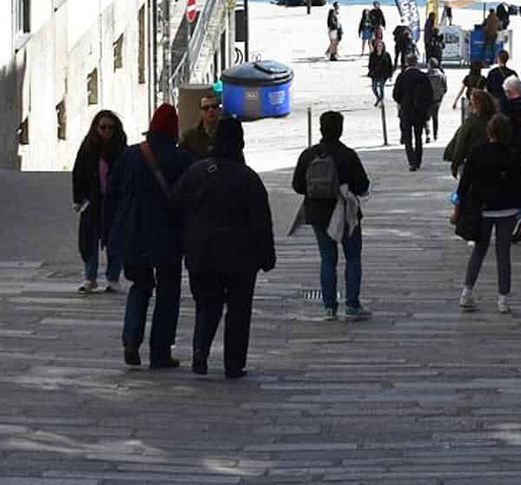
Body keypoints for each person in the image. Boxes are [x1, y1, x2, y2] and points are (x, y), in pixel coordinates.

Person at [174, 117, 276, 377]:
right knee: (239, 310)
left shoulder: (196, 172)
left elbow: (175, 205)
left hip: (202, 251)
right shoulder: (248, 178)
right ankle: (234, 363)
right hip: (240, 256)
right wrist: (267, 256)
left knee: (206, 304)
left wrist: (187, 240)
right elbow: (261, 221)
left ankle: (200, 351)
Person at [106, 104, 193, 369]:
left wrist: (109, 232)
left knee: (140, 286)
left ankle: (131, 340)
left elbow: (111, 194)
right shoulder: (182, 160)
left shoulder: (131, 155)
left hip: (132, 234)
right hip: (168, 237)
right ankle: (160, 351)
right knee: (168, 292)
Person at [291, 110, 371, 321]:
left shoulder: (308, 155)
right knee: (353, 258)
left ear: (320, 128)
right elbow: (363, 185)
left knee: (327, 259)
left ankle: (329, 306)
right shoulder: (348, 155)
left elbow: (297, 186)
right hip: (345, 212)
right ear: (341, 129)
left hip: (318, 212)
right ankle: (352, 304)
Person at [453, 114, 521, 314]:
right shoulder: (514, 155)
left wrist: (457, 210)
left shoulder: (477, 153)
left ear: (489, 131)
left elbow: (464, 186)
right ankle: (503, 299)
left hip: (483, 208)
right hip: (507, 209)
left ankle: (467, 292)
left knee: (479, 250)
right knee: (503, 253)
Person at [72, 110, 126, 293]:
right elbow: (78, 173)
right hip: (92, 202)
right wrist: (78, 199)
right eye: (103, 127)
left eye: (110, 128)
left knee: (115, 240)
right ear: (96, 128)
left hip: (114, 202)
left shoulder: (121, 150)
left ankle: (113, 277)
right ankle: (90, 277)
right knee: (89, 240)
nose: (106, 131)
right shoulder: (87, 148)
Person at [392, 53, 434, 171]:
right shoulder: (422, 76)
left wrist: (402, 102)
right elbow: (430, 94)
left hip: (406, 110)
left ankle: (412, 161)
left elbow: (396, 95)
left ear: (406, 62)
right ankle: (418, 160)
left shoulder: (402, 76)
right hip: (419, 111)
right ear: (416, 62)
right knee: (418, 136)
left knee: (408, 137)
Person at [443, 88, 496, 177]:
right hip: (492, 162)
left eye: (471, 103)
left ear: (477, 105)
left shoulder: (471, 122)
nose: (468, 105)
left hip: (471, 162)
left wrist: (455, 164)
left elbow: (461, 143)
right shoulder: (495, 120)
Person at [181, 92, 222, 159]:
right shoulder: (189, 137)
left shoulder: (227, 135)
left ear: (219, 110)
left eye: (214, 107)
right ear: (201, 112)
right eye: (206, 108)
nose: (210, 110)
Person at [426, 58, 448, 141]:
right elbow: (445, 88)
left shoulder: (427, 75)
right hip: (438, 99)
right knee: (435, 117)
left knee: (427, 117)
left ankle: (428, 134)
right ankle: (435, 134)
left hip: (428, 99)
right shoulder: (442, 75)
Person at [368, 38, 393, 106]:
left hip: (383, 74)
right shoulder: (373, 54)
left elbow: (390, 65)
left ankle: (381, 100)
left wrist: (390, 75)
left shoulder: (386, 55)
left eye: (381, 46)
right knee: (374, 87)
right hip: (375, 73)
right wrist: (370, 71)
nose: (379, 47)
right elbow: (370, 64)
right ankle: (378, 98)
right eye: (378, 46)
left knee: (381, 87)